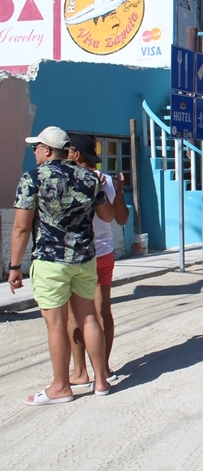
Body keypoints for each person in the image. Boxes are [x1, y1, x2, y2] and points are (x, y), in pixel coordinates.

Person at [8, 126, 113, 405]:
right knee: (89, 316)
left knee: (56, 325)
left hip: (50, 261)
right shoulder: (90, 178)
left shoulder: (33, 179)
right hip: (84, 259)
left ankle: (61, 387)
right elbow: (107, 215)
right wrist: (100, 187)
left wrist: (14, 266)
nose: (34, 152)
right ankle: (101, 381)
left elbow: (21, 228)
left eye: (36, 147)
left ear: (47, 150)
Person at [67, 135, 129, 387]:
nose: (66, 154)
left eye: (69, 151)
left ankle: (81, 371)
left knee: (76, 315)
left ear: (77, 155)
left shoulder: (68, 180)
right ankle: (103, 368)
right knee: (102, 312)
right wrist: (118, 190)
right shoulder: (108, 180)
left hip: (78, 255)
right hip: (103, 253)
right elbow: (122, 219)